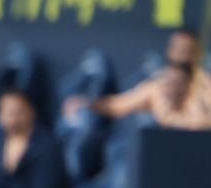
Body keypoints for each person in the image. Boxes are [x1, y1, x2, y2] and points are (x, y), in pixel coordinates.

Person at [66, 30, 211, 131]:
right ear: (169, 50)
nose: (181, 55)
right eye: (177, 48)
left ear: (197, 54)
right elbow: (119, 105)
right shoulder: (157, 86)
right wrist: (89, 103)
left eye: (187, 50)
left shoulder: (206, 87)